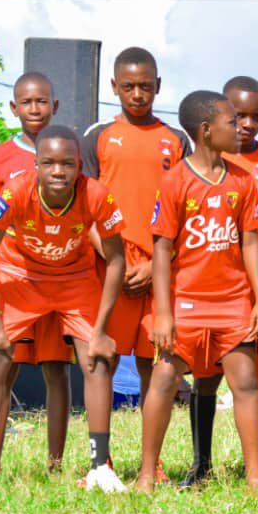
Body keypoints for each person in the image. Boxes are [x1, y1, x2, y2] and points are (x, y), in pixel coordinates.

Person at [0, 126, 126, 491]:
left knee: (95, 359)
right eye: (48, 163)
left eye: (68, 163)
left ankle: (100, 468)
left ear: (80, 166)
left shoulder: (95, 194)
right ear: (35, 165)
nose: (58, 171)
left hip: (74, 278)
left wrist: (100, 329)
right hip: (21, 275)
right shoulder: (16, 191)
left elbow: (116, 260)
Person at [137, 91, 258, 493]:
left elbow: (250, 244)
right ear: (207, 131)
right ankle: (146, 474)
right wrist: (163, 313)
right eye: (232, 122)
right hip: (186, 302)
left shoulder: (243, 180)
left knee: (244, 380)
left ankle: (255, 477)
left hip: (233, 300)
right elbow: (161, 250)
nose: (240, 128)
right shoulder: (175, 181)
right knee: (164, 378)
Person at [181, 76, 258, 488]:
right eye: (239, 115)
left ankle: (255, 468)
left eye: (256, 115)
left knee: (253, 380)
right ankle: (201, 462)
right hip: (207, 287)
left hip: (254, 290)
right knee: (205, 376)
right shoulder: (196, 162)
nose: (247, 123)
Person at [80, 47, 191, 414]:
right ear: (114, 86)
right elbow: (83, 208)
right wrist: (112, 258)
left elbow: (188, 212)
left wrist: (160, 261)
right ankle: (101, 463)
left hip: (157, 267)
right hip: (110, 265)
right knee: (103, 360)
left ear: (158, 85)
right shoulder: (98, 134)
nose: (137, 94)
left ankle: (151, 463)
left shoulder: (177, 140)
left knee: (156, 363)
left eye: (145, 86)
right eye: (128, 86)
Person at [0, 72, 73, 473]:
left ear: (56, 106)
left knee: (56, 369)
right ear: (14, 107)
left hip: (59, 277)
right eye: (27, 102)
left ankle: (55, 465)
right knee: (3, 366)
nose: (35, 109)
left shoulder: (71, 151)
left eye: (42, 101)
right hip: (12, 279)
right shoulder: (1, 157)